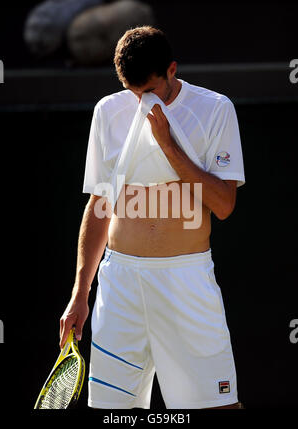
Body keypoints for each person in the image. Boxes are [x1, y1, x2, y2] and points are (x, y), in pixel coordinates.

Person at [59, 26, 245, 409]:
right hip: (120, 285)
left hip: (186, 282)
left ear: (172, 70)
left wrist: (168, 145)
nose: (141, 101)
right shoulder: (107, 111)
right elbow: (100, 205)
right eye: (132, 92)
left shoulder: (216, 109)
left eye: (150, 91)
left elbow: (224, 205)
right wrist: (80, 294)